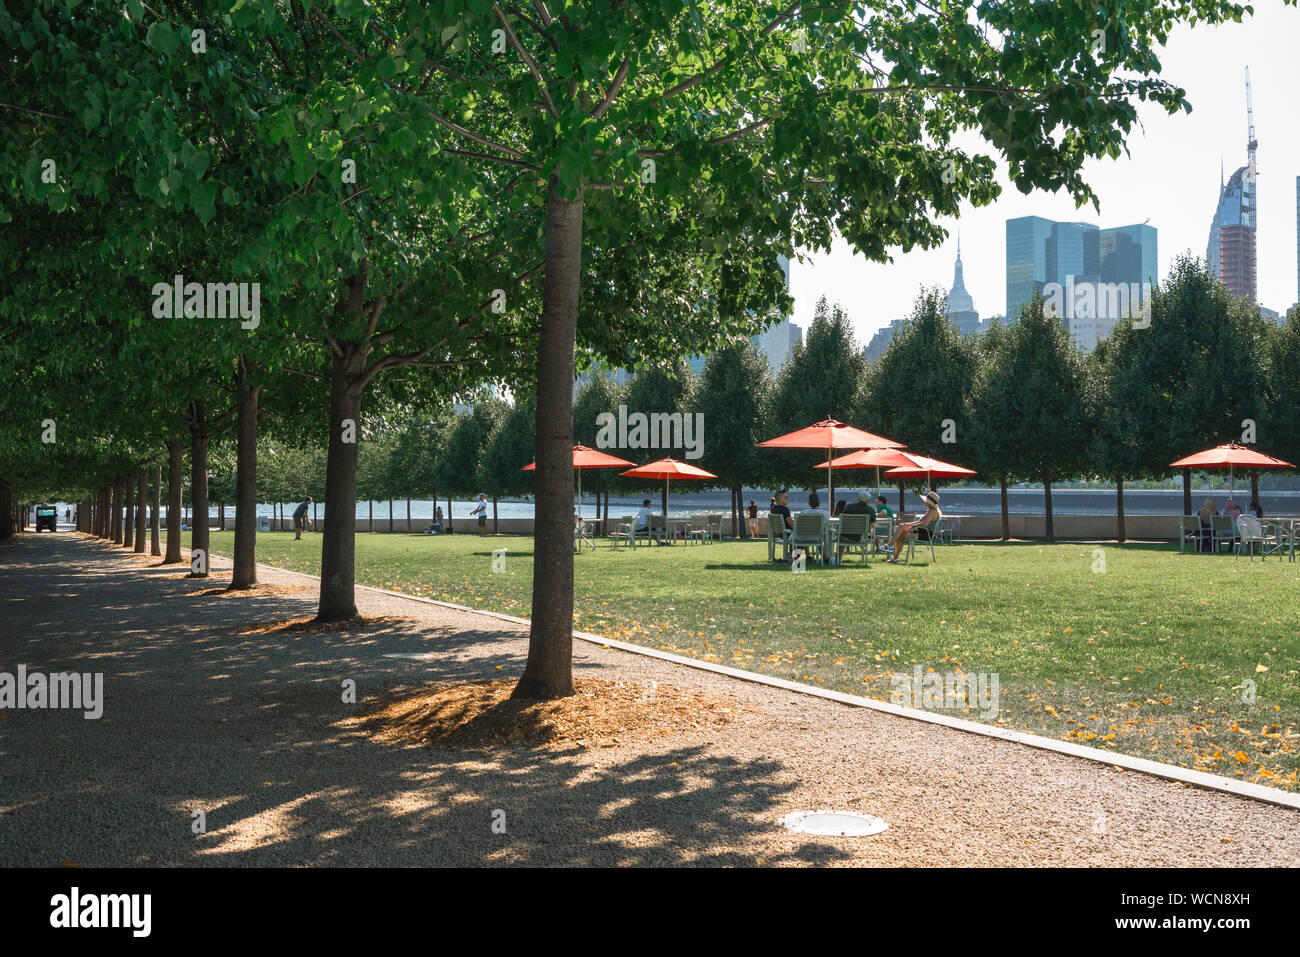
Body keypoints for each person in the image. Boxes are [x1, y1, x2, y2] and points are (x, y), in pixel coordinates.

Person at [883, 490, 941, 563]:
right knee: (901, 533)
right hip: (922, 531)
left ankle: (889, 546)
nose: (924, 502)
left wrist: (913, 526)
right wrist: (908, 524)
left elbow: (925, 523)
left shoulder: (932, 511)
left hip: (925, 534)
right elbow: (920, 522)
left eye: (926, 501)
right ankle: (895, 558)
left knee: (901, 528)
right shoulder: (931, 510)